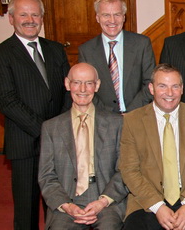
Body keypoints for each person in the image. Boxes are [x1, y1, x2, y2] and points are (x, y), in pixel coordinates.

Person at [0, 0, 70, 229]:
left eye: (35, 14)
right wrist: (46, 132)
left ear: (42, 18)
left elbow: (68, 90)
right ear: (11, 18)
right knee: (27, 210)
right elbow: (7, 102)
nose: (30, 19)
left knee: (58, 206)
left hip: (60, 143)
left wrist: (59, 130)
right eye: (23, 14)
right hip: (25, 143)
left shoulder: (55, 49)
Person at [119, 64, 185, 230]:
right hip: (147, 201)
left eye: (175, 86)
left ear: (182, 89)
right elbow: (129, 170)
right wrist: (158, 206)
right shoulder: (133, 121)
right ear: (151, 88)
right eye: (162, 86)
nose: (169, 93)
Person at [38, 63, 127, 229]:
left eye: (89, 83)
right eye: (77, 82)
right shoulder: (51, 127)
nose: (83, 89)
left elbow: (124, 170)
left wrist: (103, 201)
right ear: (67, 84)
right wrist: (67, 205)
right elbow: (46, 176)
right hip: (66, 198)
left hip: (105, 197)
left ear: (97, 85)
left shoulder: (117, 123)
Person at [79, 0, 156, 114]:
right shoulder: (86, 50)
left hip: (138, 115)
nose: (112, 20)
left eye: (117, 14)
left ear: (124, 17)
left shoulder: (142, 44)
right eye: (106, 15)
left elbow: (151, 82)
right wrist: (110, 115)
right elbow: (86, 90)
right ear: (97, 18)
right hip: (103, 118)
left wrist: (131, 113)